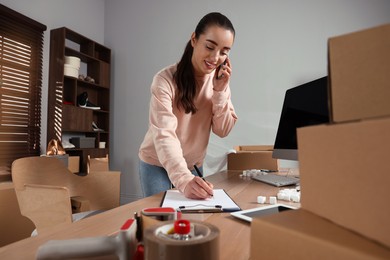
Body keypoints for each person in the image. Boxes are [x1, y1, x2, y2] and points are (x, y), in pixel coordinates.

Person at [138, 12, 237, 199]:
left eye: (224, 52)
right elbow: (164, 134)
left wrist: (220, 92)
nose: (216, 58)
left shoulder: (219, 82)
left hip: (193, 166)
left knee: (192, 222)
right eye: (209, 46)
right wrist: (184, 179)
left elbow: (222, 130)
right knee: (161, 221)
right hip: (156, 163)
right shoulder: (164, 80)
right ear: (194, 39)